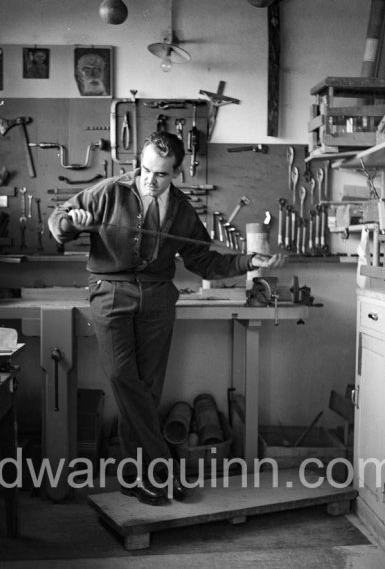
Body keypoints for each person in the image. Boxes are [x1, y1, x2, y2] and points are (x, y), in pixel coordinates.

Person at [48, 131, 284, 506]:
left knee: (146, 388)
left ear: (176, 173)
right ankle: (162, 469)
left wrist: (247, 262)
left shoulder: (181, 210)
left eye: (160, 174)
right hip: (111, 292)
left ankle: (136, 477)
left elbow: (204, 259)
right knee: (125, 379)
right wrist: (71, 222)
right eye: (145, 169)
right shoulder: (109, 191)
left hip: (158, 297)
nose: (149, 179)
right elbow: (57, 222)